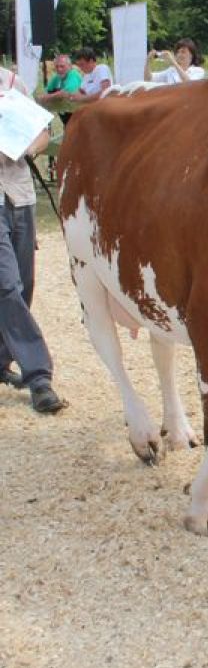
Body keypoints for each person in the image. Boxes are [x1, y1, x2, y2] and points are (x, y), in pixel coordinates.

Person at [0, 67, 65, 413]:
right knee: (6, 285)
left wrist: (26, 151)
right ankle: (39, 376)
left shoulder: (13, 84)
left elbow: (43, 132)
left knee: (24, 285)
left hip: (21, 196)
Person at [39, 53, 82, 127]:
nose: (59, 69)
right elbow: (47, 91)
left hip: (79, 117)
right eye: (57, 66)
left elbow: (66, 93)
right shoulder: (57, 77)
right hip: (67, 117)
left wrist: (48, 97)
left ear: (69, 66)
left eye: (62, 66)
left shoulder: (73, 75)